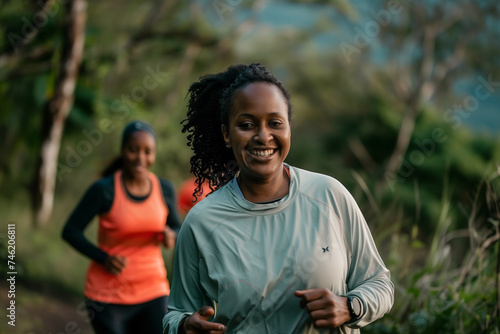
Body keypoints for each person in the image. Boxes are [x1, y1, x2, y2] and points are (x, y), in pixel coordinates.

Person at [163, 63, 394, 334]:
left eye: (275, 123)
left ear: (288, 129)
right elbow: (176, 312)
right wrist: (184, 326)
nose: (263, 136)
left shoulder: (329, 195)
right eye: (247, 125)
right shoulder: (202, 222)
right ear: (227, 133)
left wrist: (350, 306)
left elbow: (380, 284)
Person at [62, 120, 182, 334]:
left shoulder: (164, 189)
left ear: (154, 154)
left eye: (148, 151)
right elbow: (70, 231)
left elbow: (177, 226)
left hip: (153, 289)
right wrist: (103, 257)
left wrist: (171, 234)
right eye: (133, 150)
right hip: (107, 297)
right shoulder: (104, 190)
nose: (140, 158)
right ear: (123, 151)